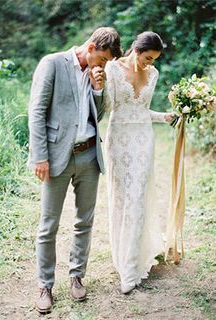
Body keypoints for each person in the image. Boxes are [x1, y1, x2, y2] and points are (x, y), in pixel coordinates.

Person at [28, 27, 122, 313]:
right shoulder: (53, 63)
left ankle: (77, 276)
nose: (104, 65)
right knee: (49, 225)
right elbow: (37, 112)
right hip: (57, 156)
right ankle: (45, 284)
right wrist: (40, 156)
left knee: (85, 221)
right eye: (103, 59)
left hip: (89, 156)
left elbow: (100, 115)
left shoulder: (97, 74)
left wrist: (98, 89)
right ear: (91, 46)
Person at [104, 31, 174, 294]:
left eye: (154, 60)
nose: (150, 64)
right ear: (136, 49)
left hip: (143, 140)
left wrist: (164, 116)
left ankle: (132, 268)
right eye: (147, 58)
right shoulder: (112, 68)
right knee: (122, 198)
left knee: (138, 198)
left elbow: (143, 111)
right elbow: (107, 106)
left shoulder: (153, 75)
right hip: (119, 140)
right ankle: (123, 258)